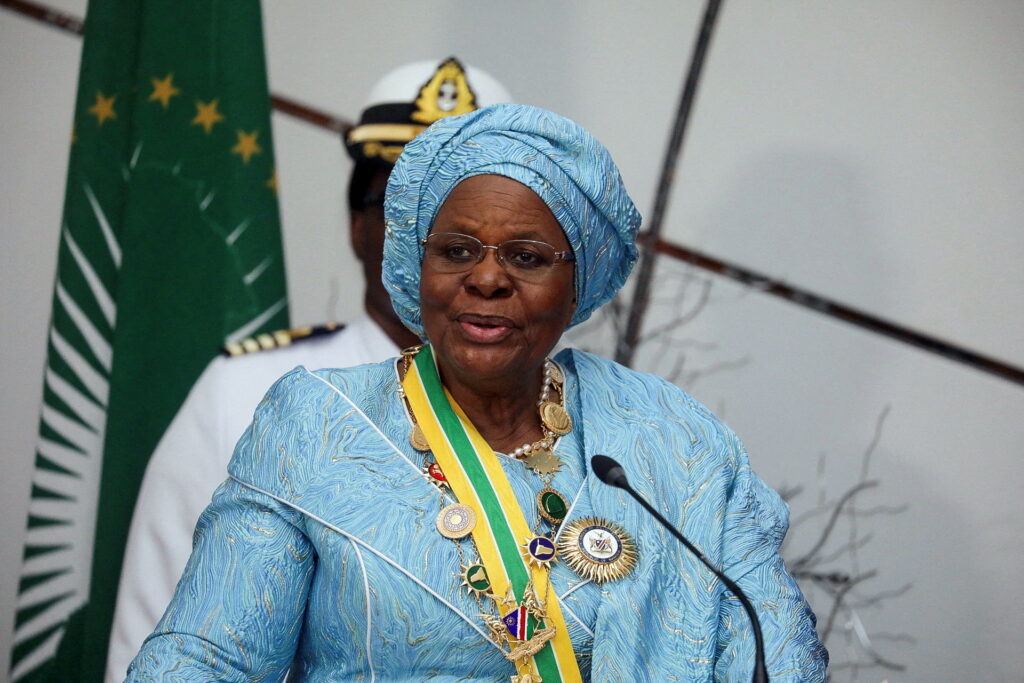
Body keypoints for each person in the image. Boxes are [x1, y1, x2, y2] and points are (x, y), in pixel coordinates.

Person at [126, 104, 827, 681]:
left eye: (526, 257)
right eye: (456, 250)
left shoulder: (676, 442)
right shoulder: (314, 425)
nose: (486, 279)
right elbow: (203, 661)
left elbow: (780, 658)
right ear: (418, 265)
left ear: (576, 284)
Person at [105, 58, 512, 682]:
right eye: (405, 208)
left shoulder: (581, 417)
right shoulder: (244, 390)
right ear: (358, 226)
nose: (438, 239)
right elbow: (158, 638)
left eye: (467, 216)